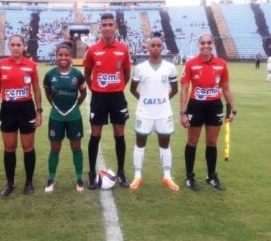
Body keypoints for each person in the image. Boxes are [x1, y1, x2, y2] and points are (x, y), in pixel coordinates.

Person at [180, 34, 236, 192]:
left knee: (211, 142)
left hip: (214, 106)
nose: (206, 45)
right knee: (192, 141)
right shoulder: (191, 64)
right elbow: (184, 88)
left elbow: (225, 88)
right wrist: (183, 112)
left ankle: (211, 176)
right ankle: (189, 177)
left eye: (209, 43)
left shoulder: (221, 64)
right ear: (199, 45)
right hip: (196, 106)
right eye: (203, 43)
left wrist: (232, 109)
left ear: (213, 44)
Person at [83, 12, 131, 189]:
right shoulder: (93, 50)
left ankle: (121, 172)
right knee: (95, 134)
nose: (108, 28)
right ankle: (91, 174)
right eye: (104, 25)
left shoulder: (123, 49)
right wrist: (96, 89)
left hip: (117, 97)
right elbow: (87, 74)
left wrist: (117, 87)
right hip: (99, 97)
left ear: (115, 27)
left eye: (111, 24)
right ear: (100, 27)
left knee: (119, 133)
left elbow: (126, 74)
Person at [0, 34, 42, 197]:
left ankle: (29, 182)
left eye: (18, 44)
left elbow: (36, 88)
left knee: (28, 147)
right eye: (12, 44)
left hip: (26, 108)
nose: (15, 47)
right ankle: (10, 182)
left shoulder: (31, 65)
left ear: (23, 47)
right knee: (9, 148)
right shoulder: (1, 65)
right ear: (9, 46)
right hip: (8, 109)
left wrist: (38, 110)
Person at [129, 35, 179, 191]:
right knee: (140, 143)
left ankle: (167, 176)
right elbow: (132, 88)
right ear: (148, 48)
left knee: (165, 144)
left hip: (163, 113)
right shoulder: (140, 67)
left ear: (162, 47)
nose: (156, 48)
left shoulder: (170, 67)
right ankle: (137, 177)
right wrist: (143, 99)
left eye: (158, 45)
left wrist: (163, 100)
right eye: (153, 45)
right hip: (144, 113)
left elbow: (175, 89)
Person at [43, 42, 87, 192]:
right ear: (56, 57)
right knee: (55, 148)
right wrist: (55, 106)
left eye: (66, 55)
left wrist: (75, 106)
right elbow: (48, 94)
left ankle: (79, 179)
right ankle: (51, 179)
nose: (63, 57)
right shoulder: (50, 75)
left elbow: (83, 94)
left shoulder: (77, 75)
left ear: (71, 58)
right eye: (60, 55)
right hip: (56, 117)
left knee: (76, 147)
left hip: (74, 116)